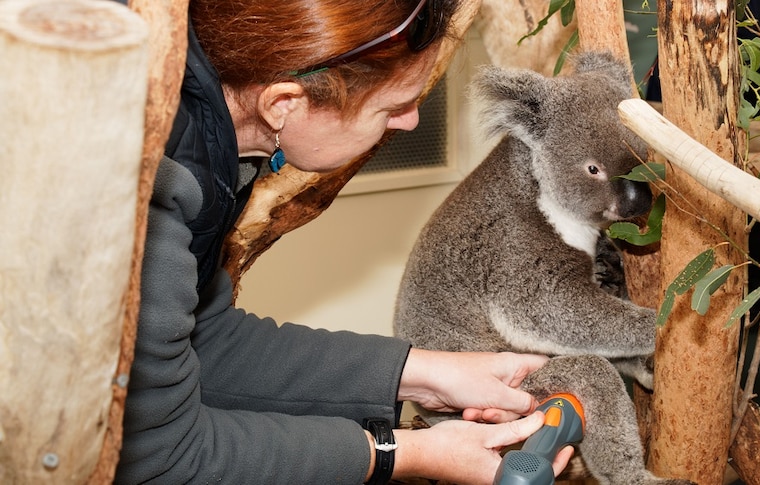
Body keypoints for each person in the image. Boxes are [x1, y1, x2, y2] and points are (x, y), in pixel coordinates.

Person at [117, 0, 575, 483]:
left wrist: (426, 373)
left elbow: (202, 340)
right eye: (392, 107)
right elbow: (161, 455)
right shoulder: (151, 185)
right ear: (283, 104)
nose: (411, 122)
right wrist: (407, 453)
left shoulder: (208, 137)